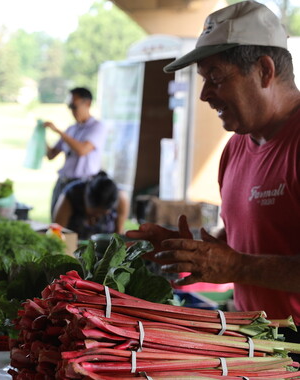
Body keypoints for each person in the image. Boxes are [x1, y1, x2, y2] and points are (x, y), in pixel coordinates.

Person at [126, 1, 300, 343]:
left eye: (216, 78)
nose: (205, 94)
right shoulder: (236, 147)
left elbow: (241, 261)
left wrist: (237, 267)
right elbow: (246, 238)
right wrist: (192, 251)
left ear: (265, 70)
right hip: (256, 338)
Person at [44, 87, 107, 219]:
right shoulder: (71, 129)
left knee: (77, 224)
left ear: (87, 103)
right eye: (69, 106)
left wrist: (59, 132)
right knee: (56, 224)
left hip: (83, 185)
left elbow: (82, 150)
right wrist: (40, 138)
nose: (72, 111)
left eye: (74, 106)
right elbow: (51, 155)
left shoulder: (97, 127)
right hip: (63, 182)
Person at [52, 171, 129, 240]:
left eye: (102, 213)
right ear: (86, 199)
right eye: (94, 212)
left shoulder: (121, 198)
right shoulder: (72, 194)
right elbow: (57, 231)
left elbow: (118, 235)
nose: (97, 216)